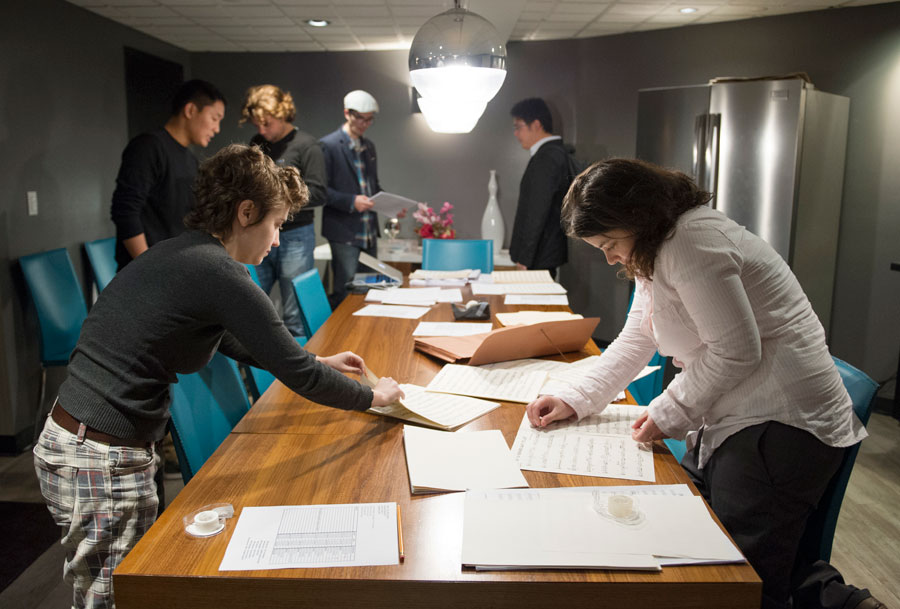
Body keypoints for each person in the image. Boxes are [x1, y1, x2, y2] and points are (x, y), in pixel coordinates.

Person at [33, 144, 404, 609]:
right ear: (246, 212)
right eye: (274, 225)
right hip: (101, 457)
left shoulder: (184, 252)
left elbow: (228, 338)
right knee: (113, 600)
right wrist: (375, 396)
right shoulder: (221, 273)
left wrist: (318, 362)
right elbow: (298, 376)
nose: (274, 241)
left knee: (114, 592)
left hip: (75, 438)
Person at [525, 158, 884, 609]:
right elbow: (638, 336)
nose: (610, 257)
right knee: (696, 529)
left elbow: (736, 350)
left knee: (731, 578)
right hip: (741, 414)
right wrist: (574, 397)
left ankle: (828, 597)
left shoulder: (690, 243)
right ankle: (829, 594)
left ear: (638, 218)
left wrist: (666, 411)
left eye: (610, 243)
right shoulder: (655, 248)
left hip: (782, 423)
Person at [110, 79, 226, 270]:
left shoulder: (191, 160)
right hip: (145, 275)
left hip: (175, 269)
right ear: (190, 111)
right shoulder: (148, 147)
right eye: (215, 118)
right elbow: (125, 211)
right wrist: (149, 267)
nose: (217, 128)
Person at [240, 84, 327, 337]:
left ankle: (300, 372)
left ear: (282, 114)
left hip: (295, 236)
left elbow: (319, 192)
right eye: (257, 125)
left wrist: (280, 200)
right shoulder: (257, 143)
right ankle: (256, 373)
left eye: (267, 123)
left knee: (294, 314)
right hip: (259, 232)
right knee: (250, 303)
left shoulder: (307, 145)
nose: (261, 130)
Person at [319, 89, 382, 306]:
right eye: (360, 118)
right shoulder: (328, 145)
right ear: (347, 113)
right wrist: (351, 201)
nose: (364, 124)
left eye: (369, 120)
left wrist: (388, 204)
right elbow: (320, 191)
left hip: (368, 230)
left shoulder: (369, 146)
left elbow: (373, 186)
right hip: (344, 231)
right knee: (346, 289)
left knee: (372, 288)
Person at [508, 97, 574, 279]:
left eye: (518, 126)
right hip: (541, 255)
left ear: (536, 124)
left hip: (538, 257)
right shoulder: (551, 154)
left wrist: (525, 259)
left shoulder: (547, 157)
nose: (516, 133)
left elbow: (537, 212)